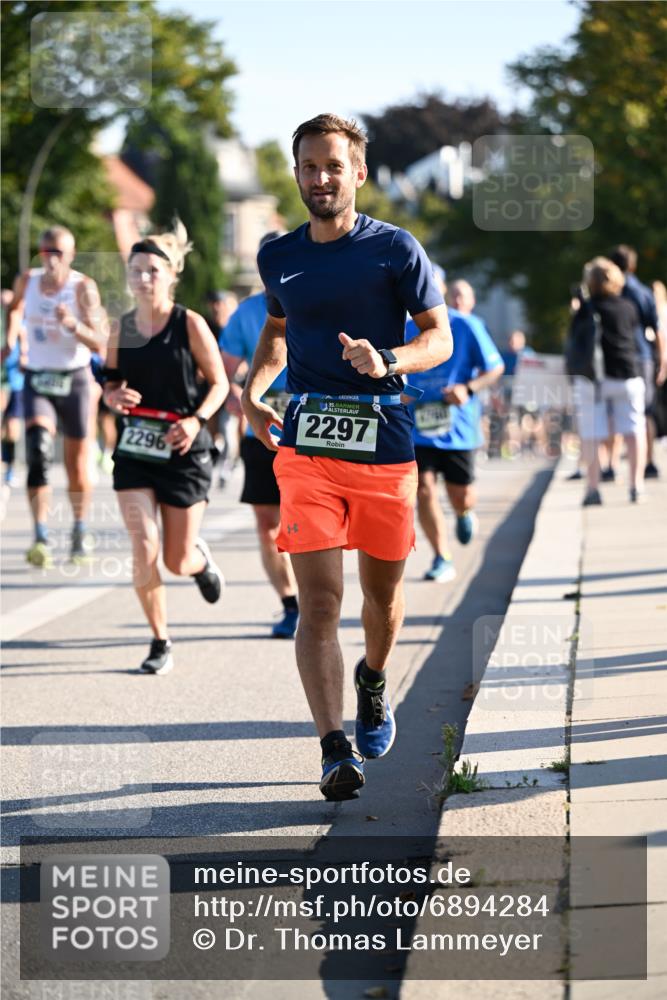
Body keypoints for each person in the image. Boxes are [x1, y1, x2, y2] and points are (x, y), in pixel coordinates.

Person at [242, 113, 452, 801]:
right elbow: (277, 331)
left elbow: (438, 339)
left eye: (333, 165)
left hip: (384, 445)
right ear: (296, 172)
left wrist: (385, 358)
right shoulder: (277, 254)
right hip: (306, 449)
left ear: (357, 172)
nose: (320, 178)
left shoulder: (395, 250)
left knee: (381, 599)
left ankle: (372, 679)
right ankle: (334, 748)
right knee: (320, 604)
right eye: (308, 166)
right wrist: (253, 391)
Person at [103, 221, 228, 675]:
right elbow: (110, 383)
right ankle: (160, 640)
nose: (143, 278)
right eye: (136, 271)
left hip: (182, 450)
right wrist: (113, 397)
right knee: (144, 546)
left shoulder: (189, 323)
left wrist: (196, 422)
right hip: (136, 449)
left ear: (170, 274)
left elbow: (219, 384)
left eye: (152, 270)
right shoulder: (121, 328)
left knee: (175, 559)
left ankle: (198, 561)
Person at [4, 226, 107, 566]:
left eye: (59, 252)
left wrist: (74, 326)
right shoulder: (27, 280)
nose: (51, 259)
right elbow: (15, 308)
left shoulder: (82, 288)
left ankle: (79, 530)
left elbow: (100, 342)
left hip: (74, 379)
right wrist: (11, 338)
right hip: (37, 376)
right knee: (38, 451)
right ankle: (41, 535)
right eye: (46, 251)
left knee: (77, 466)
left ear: (71, 255)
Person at [221, 233, 300, 639]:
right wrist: (236, 394)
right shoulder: (246, 313)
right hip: (263, 429)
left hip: (313, 425)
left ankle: (319, 599)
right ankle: (291, 605)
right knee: (267, 522)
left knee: (309, 520)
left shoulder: (318, 301)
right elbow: (223, 367)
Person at [408, 271, 504, 582]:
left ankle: (464, 512)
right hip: (417, 425)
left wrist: (469, 388)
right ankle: (441, 555)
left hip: (458, 427)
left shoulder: (466, 324)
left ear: (442, 291)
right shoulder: (404, 327)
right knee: (422, 490)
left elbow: (495, 367)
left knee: (460, 494)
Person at [571, 257, 645, 505]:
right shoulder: (628, 307)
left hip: (595, 379)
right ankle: (636, 486)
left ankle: (593, 488)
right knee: (635, 432)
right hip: (627, 374)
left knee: (592, 434)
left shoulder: (586, 309)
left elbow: (576, 343)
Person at [609, 245, 663, 479]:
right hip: (642, 357)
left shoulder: (608, 292)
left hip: (616, 359)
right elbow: (657, 329)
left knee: (614, 411)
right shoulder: (643, 292)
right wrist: (662, 359)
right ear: (633, 265)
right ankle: (647, 463)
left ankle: (611, 464)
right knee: (645, 413)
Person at [205, 290, 239, 486]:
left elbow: (244, 360)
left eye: (221, 303)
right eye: (214, 304)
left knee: (229, 428)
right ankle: (213, 459)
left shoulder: (235, 327)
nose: (217, 308)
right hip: (211, 387)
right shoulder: (207, 327)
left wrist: (236, 383)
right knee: (212, 428)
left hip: (234, 387)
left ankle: (227, 466)